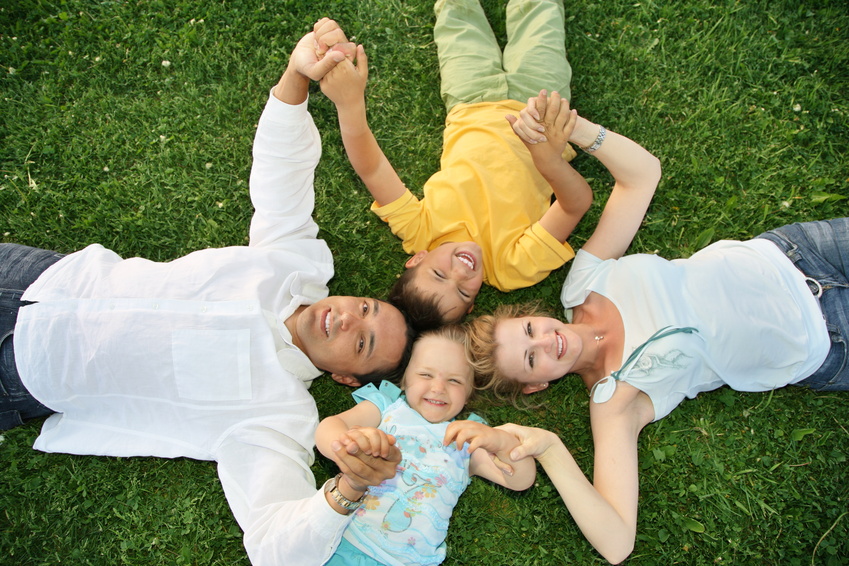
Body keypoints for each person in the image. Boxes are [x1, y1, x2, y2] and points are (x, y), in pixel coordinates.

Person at [0, 19, 415, 565]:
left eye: (363, 343)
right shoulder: (296, 265)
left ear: (344, 377)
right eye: (367, 308)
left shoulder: (278, 417)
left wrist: (349, 490)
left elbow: (277, 550)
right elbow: (281, 177)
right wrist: (296, 76)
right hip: (39, 275)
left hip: (24, 371)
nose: (350, 320)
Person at [465, 96, 848, 563]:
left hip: (798, 252)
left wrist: (574, 130)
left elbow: (641, 176)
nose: (546, 340)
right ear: (537, 385)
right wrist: (549, 448)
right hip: (828, 341)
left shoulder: (582, 284)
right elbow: (617, 543)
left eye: (528, 329)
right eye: (531, 358)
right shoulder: (614, 402)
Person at [319, 0, 593, 327]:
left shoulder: (420, 231)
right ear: (473, 305)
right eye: (463, 292)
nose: (460, 273)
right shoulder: (512, 267)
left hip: (470, 99)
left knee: (456, 16)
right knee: (541, 16)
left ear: (417, 259)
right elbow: (574, 205)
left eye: (438, 274)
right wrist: (548, 160)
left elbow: (372, 169)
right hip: (540, 114)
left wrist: (349, 104)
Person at [315, 325, 536, 565]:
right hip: (342, 538)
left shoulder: (468, 436)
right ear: (404, 379)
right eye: (426, 375)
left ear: (469, 392)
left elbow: (520, 480)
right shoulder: (387, 406)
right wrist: (345, 446)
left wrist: (501, 442)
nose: (438, 388)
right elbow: (330, 426)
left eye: (454, 380)